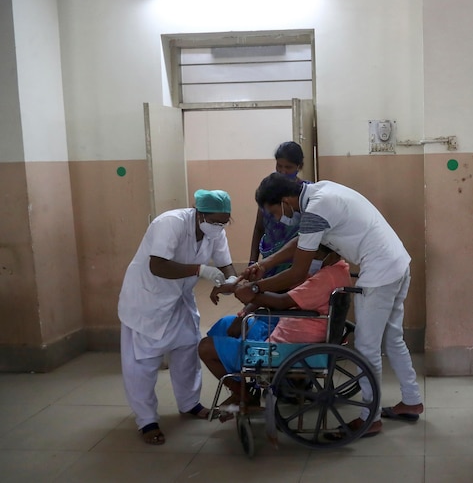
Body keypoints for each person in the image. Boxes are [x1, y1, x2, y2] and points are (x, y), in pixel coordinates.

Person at [235, 173, 423, 438]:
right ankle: (412, 400)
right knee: (393, 338)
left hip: (380, 272)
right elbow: (301, 242)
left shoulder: (316, 208)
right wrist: (262, 266)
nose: (277, 219)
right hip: (398, 263)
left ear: (286, 200)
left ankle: (371, 418)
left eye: (275, 212)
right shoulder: (321, 191)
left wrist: (255, 289)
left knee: (367, 348)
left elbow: (298, 272)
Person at [118, 189, 237, 445]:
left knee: (187, 348)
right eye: (215, 221)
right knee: (143, 363)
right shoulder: (170, 223)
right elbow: (157, 265)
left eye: (224, 222)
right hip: (148, 298)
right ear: (199, 213)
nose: (219, 227)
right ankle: (146, 420)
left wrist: (231, 280)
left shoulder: (213, 231)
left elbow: (226, 262)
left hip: (179, 297)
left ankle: (190, 403)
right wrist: (200, 270)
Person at [199, 244, 351, 406]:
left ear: (332, 253)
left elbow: (282, 301)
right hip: (289, 330)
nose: (310, 259)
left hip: (284, 349)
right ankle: (240, 382)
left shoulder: (323, 279)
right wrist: (243, 305)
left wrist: (243, 291)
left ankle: (242, 393)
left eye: (315, 254)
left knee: (205, 348)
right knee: (225, 324)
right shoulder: (338, 269)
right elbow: (283, 289)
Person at [249, 141, 307, 277]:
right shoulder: (269, 189)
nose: (283, 171)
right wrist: (252, 261)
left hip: (296, 260)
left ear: (299, 166)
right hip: (269, 259)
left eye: (288, 167)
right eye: (279, 166)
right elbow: (259, 228)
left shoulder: (305, 193)